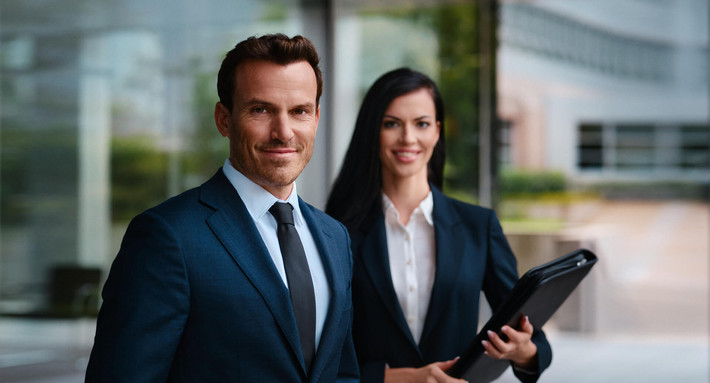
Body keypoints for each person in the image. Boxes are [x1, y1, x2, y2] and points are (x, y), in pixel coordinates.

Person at [86, 34, 359, 382]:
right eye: (261, 110)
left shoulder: (335, 238)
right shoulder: (167, 237)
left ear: (316, 119)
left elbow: (342, 374)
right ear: (224, 120)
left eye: (299, 111)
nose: (283, 132)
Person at [325, 68, 552, 383]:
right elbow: (324, 356)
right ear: (372, 131)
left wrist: (524, 350)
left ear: (437, 132)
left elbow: (530, 336)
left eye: (421, 124)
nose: (408, 138)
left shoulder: (479, 227)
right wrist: (405, 378)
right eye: (392, 124)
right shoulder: (336, 231)